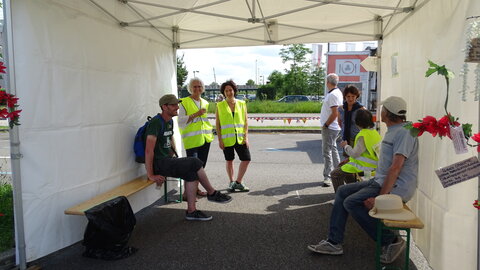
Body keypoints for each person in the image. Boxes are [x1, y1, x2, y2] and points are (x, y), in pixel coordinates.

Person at [308, 96, 419, 265]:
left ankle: (391, 241)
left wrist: (381, 198)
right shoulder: (396, 129)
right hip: (380, 180)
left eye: (382, 110)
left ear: (388, 113)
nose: (379, 112)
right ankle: (334, 242)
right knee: (343, 191)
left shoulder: (404, 133)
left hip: (394, 187)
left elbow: (396, 168)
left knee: (351, 202)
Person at [145, 94, 232, 221]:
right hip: (158, 164)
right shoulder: (155, 122)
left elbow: (169, 142)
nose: (177, 107)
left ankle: (191, 211)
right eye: (173, 105)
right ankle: (212, 193)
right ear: (164, 107)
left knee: (191, 173)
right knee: (195, 162)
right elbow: (148, 151)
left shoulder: (169, 121)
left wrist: (175, 158)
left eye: (177, 104)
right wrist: (151, 174)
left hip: (167, 161)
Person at [178, 78, 213, 199]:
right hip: (192, 140)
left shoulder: (205, 102)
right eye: (194, 86)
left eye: (199, 86)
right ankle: (186, 193)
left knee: (201, 168)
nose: (197, 89)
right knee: (191, 168)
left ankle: (195, 189)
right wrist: (196, 114)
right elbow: (180, 121)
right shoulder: (183, 102)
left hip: (205, 138)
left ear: (203, 88)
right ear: (190, 88)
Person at [331, 109, 382, 193]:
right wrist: (348, 160)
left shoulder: (362, 135)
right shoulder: (374, 133)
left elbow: (355, 154)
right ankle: (351, 194)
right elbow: (365, 153)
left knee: (335, 174)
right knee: (347, 172)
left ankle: (340, 197)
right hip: (373, 167)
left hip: (364, 167)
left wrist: (345, 146)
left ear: (357, 122)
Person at [215, 80, 251, 192]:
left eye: (230, 90)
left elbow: (245, 122)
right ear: (223, 92)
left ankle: (238, 182)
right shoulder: (219, 106)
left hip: (240, 138)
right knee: (229, 160)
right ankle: (231, 181)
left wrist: (246, 137)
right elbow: (218, 124)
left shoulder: (241, 103)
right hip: (227, 139)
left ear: (234, 91)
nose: (229, 92)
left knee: (246, 159)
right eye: (226, 91)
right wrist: (220, 140)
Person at [320, 73, 343, 187]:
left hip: (330, 127)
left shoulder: (333, 95)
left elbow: (335, 113)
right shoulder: (337, 92)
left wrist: (326, 124)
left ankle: (327, 176)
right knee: (332, 149)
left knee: (327, 152)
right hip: (333, 127)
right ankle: (338, 172)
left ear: (328, 82)